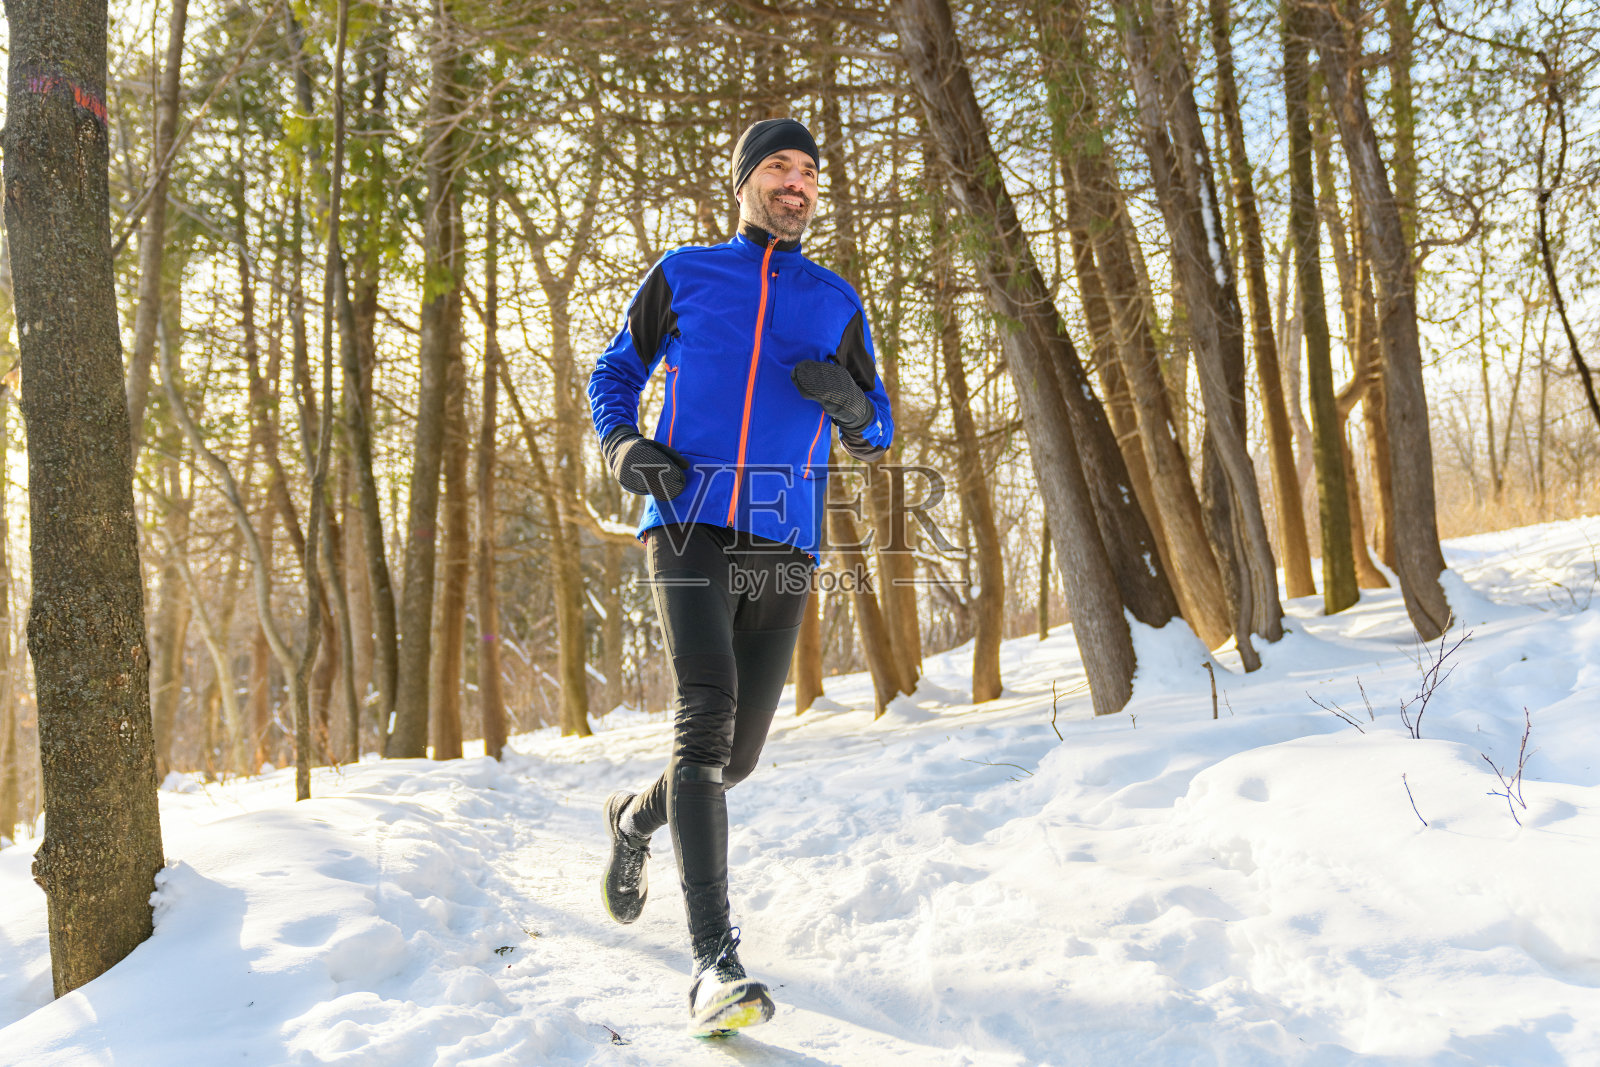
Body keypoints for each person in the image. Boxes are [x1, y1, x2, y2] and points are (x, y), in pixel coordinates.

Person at [586, 117, 894, 1034]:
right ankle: (712, 962)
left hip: (783, 538)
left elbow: (877, 428)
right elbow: (614, 371)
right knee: (706, 713)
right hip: (684, 518)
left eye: (807, 171)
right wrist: (624, 443)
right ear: (745, 182)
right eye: (778, 167)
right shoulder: (685, 273)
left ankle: (633, 821)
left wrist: (848, 402)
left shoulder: (837, 302)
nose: (796, 183)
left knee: (736, 756)